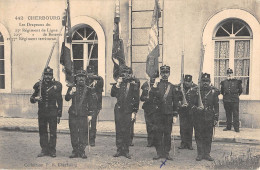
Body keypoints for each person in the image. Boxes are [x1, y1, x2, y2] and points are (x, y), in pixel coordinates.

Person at [30, 66, 63, 158]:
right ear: (43, 75)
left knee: (53, 132)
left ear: (52, 76)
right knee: (42, 131)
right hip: (42, 113)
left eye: (50, 75)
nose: (48, 77)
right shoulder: (39, 86)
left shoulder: (57, 85)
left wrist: (59, 114)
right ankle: (44, 149)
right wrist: (36, 98)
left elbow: (60, 100)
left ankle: (52, 150)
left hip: (53, 112)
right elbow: (31, 99)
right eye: (46, 75)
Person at [65, 69, 97, 159]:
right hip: (73, 114)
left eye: (83, 77)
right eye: (79, 77)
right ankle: (75, 151)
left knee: (83, 133)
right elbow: (67, 98)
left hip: (83, 114)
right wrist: (71, 92)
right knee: (74, 132)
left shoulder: (89, 89)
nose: (81, 79)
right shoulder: (72, 88)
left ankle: (82, 151)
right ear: (76, 78)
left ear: (85, 78)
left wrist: (90, 114)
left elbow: (92, 103)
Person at [150, 65, 180, 160]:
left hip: (168, 114)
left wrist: (175, 114)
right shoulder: (156, 85)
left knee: (167, 134)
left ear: (169, 73)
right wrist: (154, 87)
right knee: (158, 133)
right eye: (163, 73)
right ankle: (159, 152)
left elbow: (175, 102)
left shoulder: (172, 87)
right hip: (158, 114)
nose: (164, 75)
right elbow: (150, 98)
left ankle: (166, 153)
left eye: (166, 73)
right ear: (160, 74)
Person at [111, 65, 140, 159]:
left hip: (128, 111)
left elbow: (136, 99)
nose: (125, 75)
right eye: (123, 73)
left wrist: (134, 112)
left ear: (130, 74)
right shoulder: (118, 84)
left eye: (127, 73)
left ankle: (126, 150)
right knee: (119, 130)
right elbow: (112, 94)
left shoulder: (133, 85)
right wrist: (117, 84)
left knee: (127, 131)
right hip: (119, 110)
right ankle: (119, 150)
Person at [194, 73, 220, 161]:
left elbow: (216, 105)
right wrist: (197, 108)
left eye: (207, 81)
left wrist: (216, 117)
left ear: (210, 82)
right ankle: (200, 154)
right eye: (203, 81)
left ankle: (207, 154)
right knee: (199, 135)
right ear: (201, 81)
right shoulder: (197, 91)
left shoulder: (213, 92)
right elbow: (192, 104)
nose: (205, 83)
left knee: (208, 136)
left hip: (209, 116)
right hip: (199, 117)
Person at [178, 75, 198, 150]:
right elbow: (177, 97)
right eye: (186, 81)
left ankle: (189, 143)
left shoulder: (195, 88)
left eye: (188, 82)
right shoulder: (180, 87)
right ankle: (183, 143)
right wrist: (180, 104)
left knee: (190, 127)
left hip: (191, 110)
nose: (187, 83)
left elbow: (197, 99)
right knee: (182, 127)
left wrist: (194, 107)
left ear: (191, 82)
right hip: (183, 110)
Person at [86, 65, 104, 146]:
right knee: (85, 123)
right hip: (86, 104)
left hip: (95, 104)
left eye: (92, 72)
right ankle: (85, 139)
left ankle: (92, 139)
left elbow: (99, 91)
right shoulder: (85, 80)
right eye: (89, 73)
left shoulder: (98, 81)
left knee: (93, 123)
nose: (90, 74)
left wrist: (95, 78)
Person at [220, 68, 242, 132]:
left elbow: (240, 91)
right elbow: (222, 91)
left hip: (234, 101)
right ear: (227, 74)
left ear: (232, 74)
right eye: (228, 73)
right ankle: (228, 127)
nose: (229, 74)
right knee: (228, 114)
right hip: (226, 100)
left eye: (230, 73)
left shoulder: (237, 82)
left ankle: (236, 128)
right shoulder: (224, 82)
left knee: (235, 114)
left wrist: (234, 96)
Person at [140, 76, 159, 147]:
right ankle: (150, 141)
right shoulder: (145, 85)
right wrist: (146, 98)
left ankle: (156, 141)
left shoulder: (159, 85)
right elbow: (141, 98)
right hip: (147, 108)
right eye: (151, 78)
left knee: (156, 125)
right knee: (149, 125)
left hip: (156, 109)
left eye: (154, 78)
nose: (152, 80)